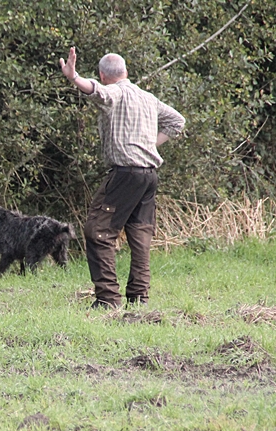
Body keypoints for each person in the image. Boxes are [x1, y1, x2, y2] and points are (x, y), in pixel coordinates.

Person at [59, 46, 185, 309]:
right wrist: (149, 145)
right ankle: (139, 298)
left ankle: (107, 300)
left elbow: (97, 91)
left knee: (97, 232)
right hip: (149, 177)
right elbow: (177, 121)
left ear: (104, 75)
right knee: (140, 237)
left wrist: (73, 78)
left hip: (125, 174)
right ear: (126, 72)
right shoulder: (147, 98)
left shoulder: (113, 92)